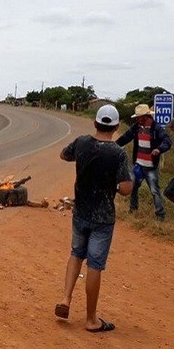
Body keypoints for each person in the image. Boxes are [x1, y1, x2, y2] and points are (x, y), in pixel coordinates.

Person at [55, 105, 133, 333]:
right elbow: (127, 188)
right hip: (103, 217)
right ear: (117, 127)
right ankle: (91, 320)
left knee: (76, 253)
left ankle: (66, 299)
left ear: (95, 123)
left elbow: (63, 154)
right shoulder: (118, 153)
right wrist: (115, 185)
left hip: (80, 212)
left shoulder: (81, 143)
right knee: (95, 265)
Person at [115, 104, 172, 220]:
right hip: (138, 165)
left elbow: (167, 141)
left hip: (151, 167)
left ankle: (160, 216)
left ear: (146, 116)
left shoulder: (157, 129)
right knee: (133, 187)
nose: (137, 119)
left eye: (139, 117)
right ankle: (133, 209)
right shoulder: (136, 127)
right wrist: (113, 146)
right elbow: (125, 138)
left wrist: (159, 149)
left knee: (155, 191)